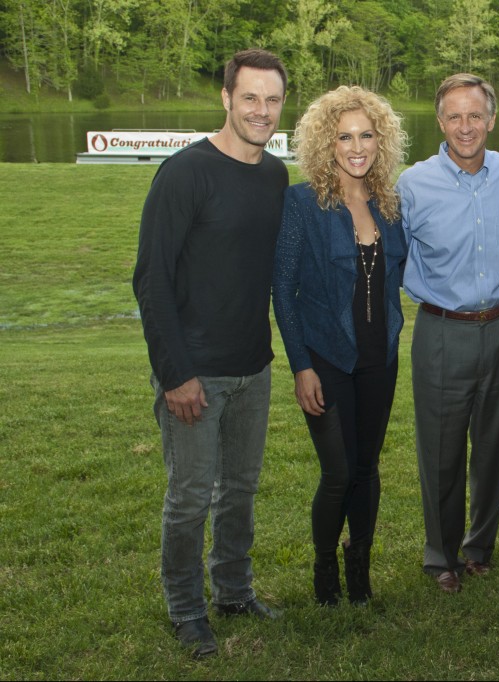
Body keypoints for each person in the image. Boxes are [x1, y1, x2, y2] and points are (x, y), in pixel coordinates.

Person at [132, 48, 288, 658]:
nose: (261, 111)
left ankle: (232, 590)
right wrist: (176, 374)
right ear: (226, 98)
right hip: (195, 373)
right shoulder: (185, 173)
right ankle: (186, 609)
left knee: (241, 490)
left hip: (254, 365)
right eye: (249, 97)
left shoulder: (275, 175)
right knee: (191, 495)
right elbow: (151, 280)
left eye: (272, 100)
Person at [397, 73, 499, 594]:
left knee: (495, 446)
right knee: (440, 450)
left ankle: (479, 547)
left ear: (492, 119)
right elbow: (391, 256)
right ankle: (441, 555)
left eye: (475, 115)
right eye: (454, 115)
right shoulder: (413, 184)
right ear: (439, 121)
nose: (465, 126)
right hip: (441, 330)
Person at [272, 86, 408, 607]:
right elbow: (283, 292)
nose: (357, 147)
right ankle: (325, 567)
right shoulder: (302, 202)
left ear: (382, 140)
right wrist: (301, 366)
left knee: (368, 469)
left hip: (380, 357)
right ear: (325, 143)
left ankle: (360, 566)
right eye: (344, 136)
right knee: (338, 472)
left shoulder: (389, 204)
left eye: (366, 135)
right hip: (326, 358)